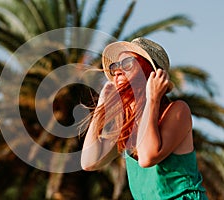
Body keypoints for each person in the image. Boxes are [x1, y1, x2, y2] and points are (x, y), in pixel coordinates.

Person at [80, 37, 207, 199]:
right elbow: (88, 162)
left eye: (127, 64)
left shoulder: (177, 110)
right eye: (115, 66)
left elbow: (147, 157)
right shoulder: (126, 126)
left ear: (151, 73)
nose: (118, 70)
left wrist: (152, 98)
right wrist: (102, 104)